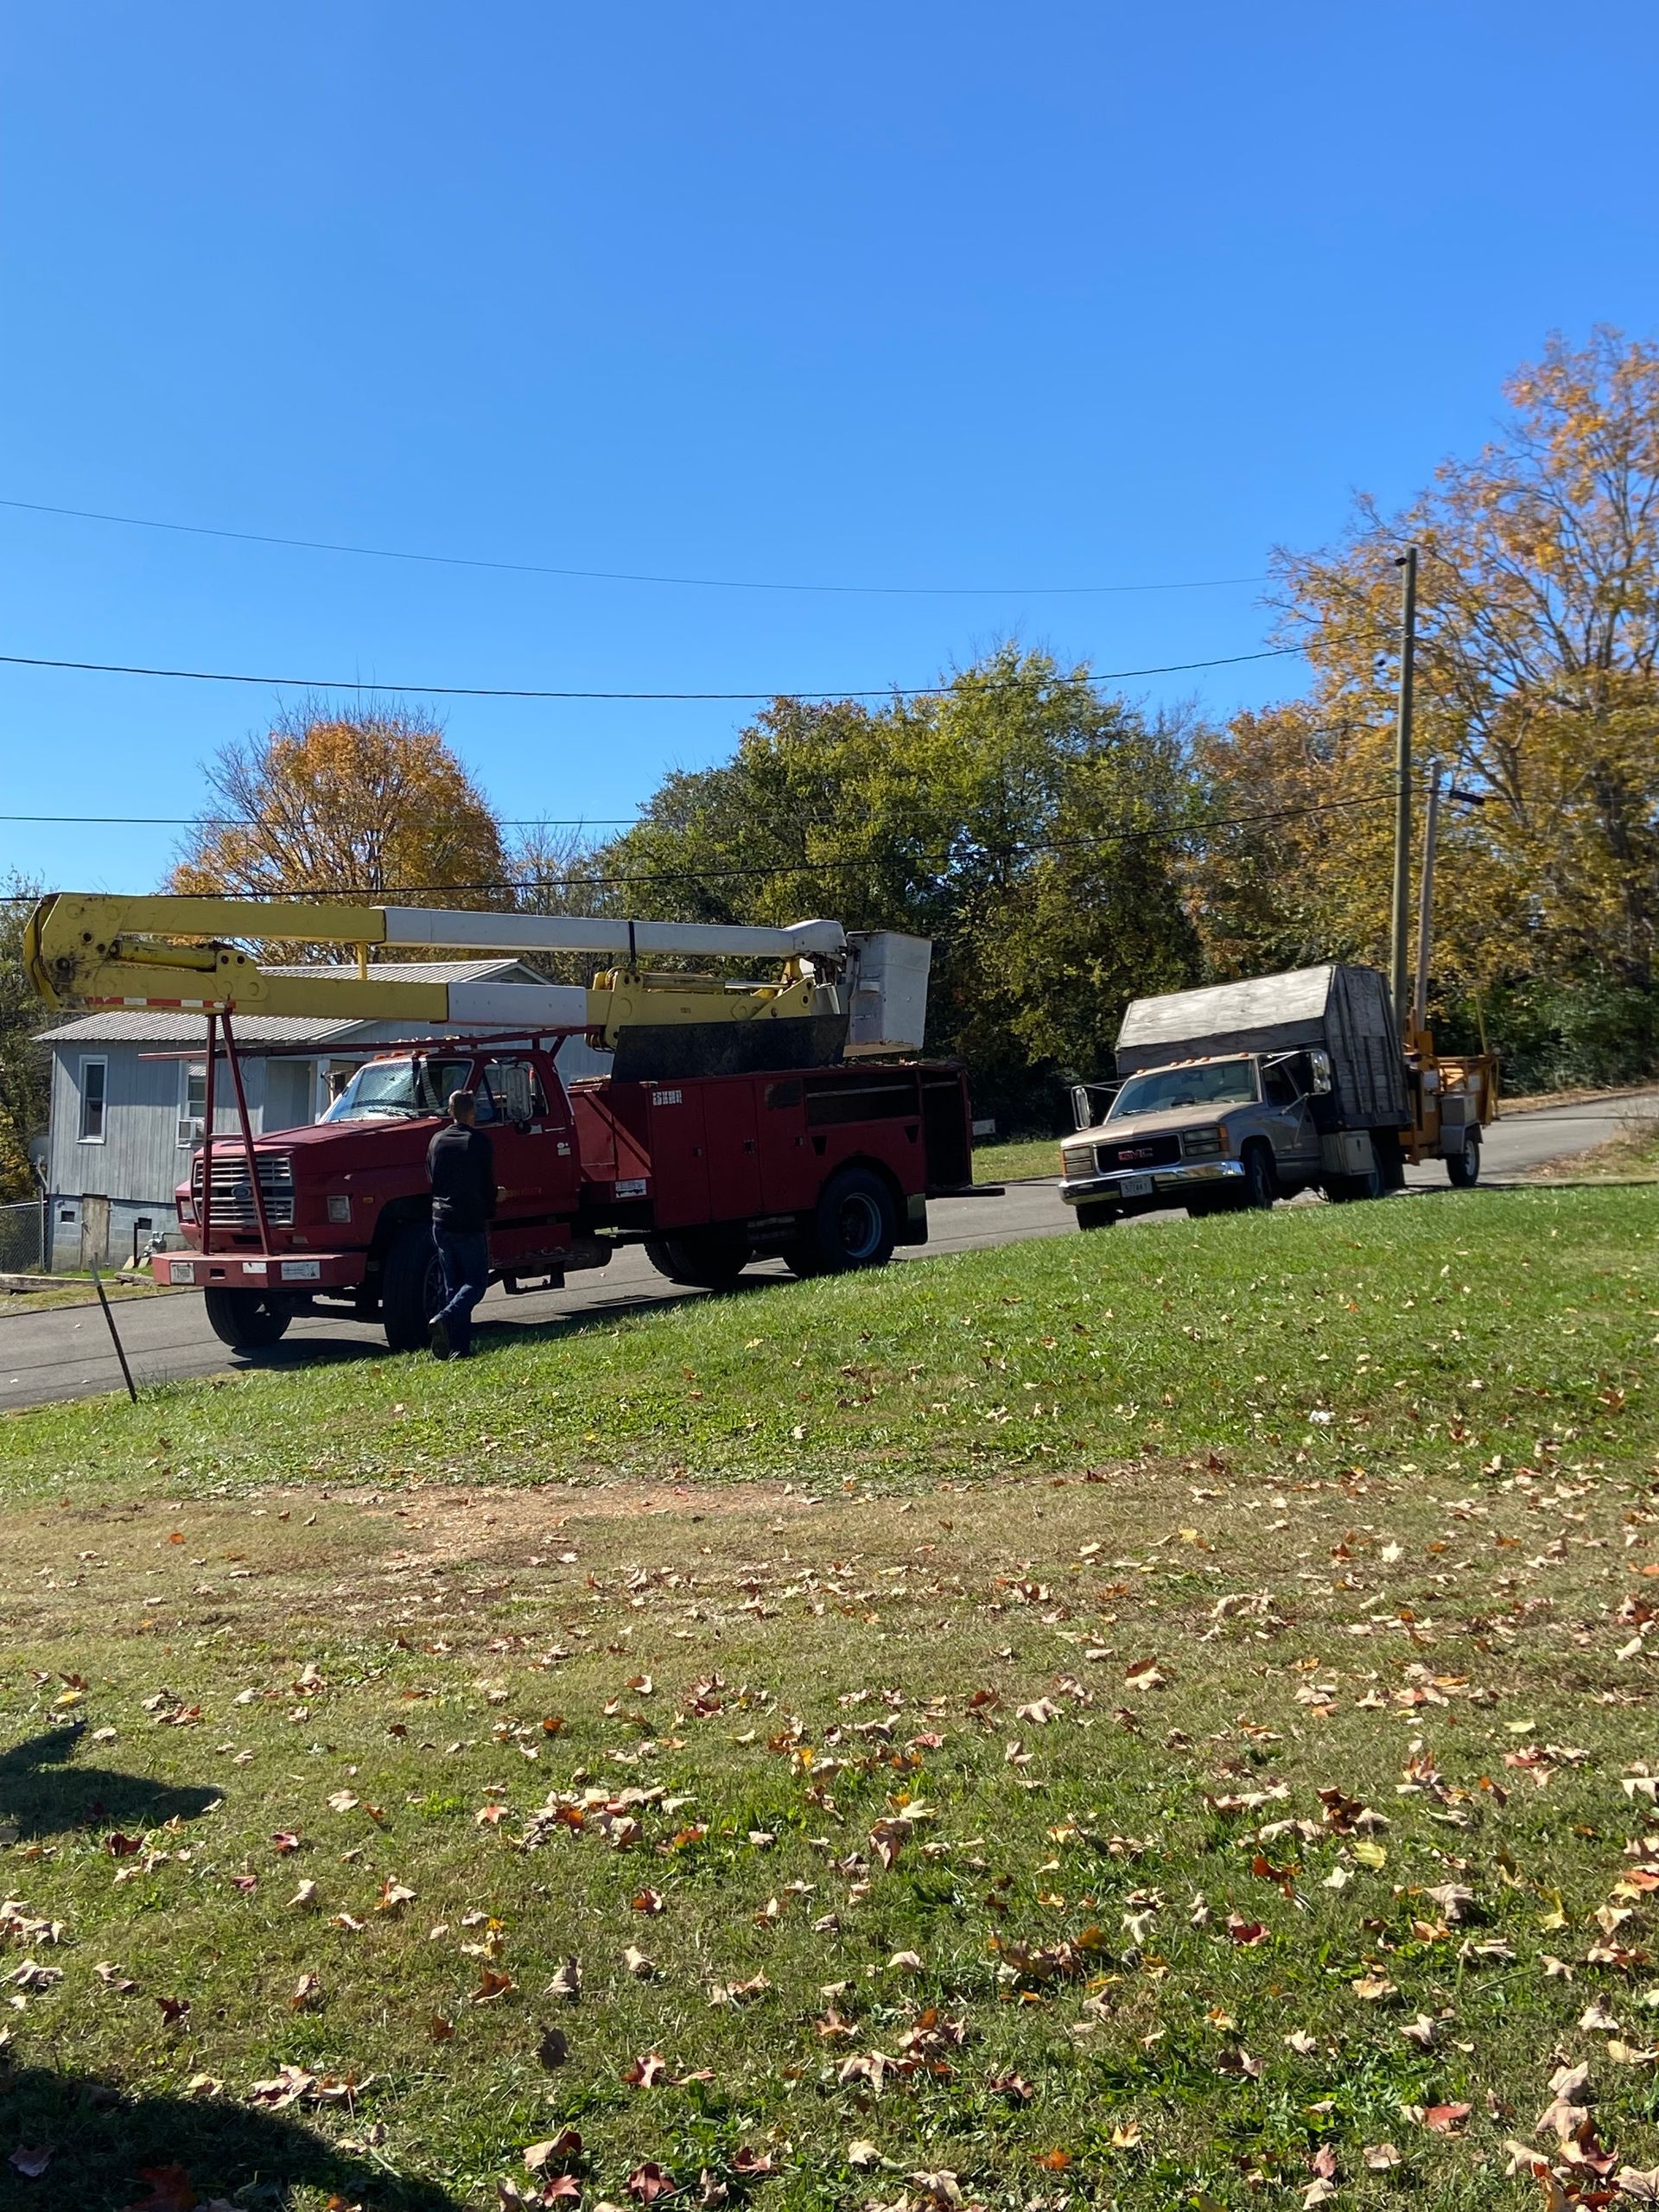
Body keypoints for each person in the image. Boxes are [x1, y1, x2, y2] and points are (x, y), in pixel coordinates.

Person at [426, 1089, 495, 1359]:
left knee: (452, 1286)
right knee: (476, 1282)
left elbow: (432, 1177)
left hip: (441, 1219)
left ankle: (457, 1348)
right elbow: (486, 1184)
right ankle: (444, 1317)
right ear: (472, 1111)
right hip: (469, 1219)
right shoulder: (479, 1142)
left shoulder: (436, 1141)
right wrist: (493, 1203)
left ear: (450, 1112)